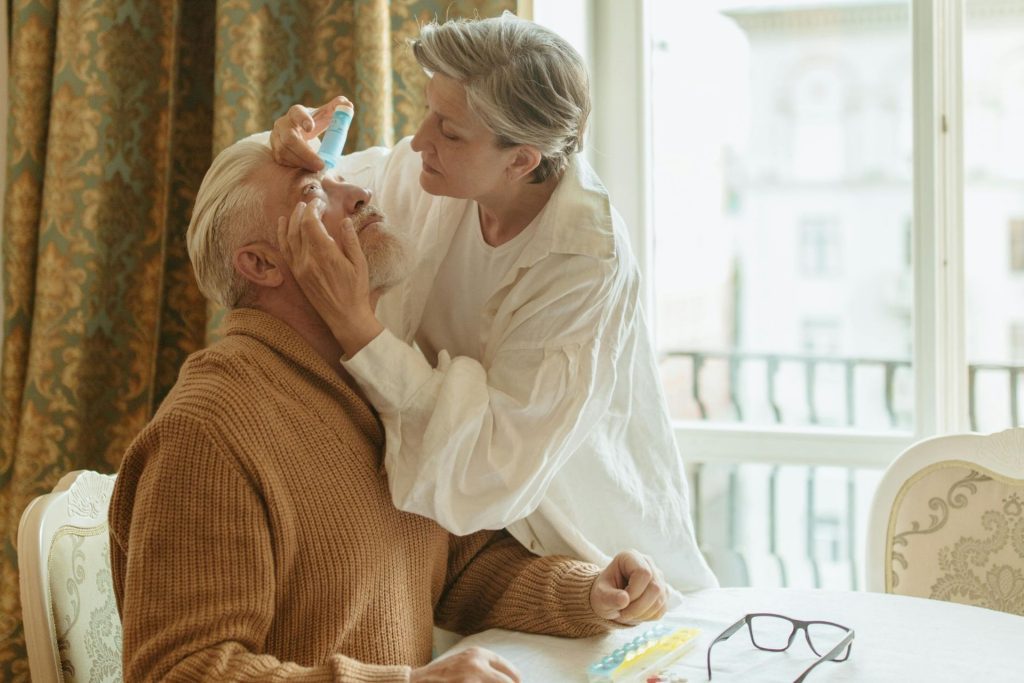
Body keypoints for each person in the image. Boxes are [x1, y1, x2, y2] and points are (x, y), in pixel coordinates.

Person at [108, 135, 670, 682]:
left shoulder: (370, 383)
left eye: (338, 178)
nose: (357, 193)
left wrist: (587, 592)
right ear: (261, 264)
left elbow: (458, 568)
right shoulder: (207, 430)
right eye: (313, 193)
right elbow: (178, 671)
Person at [271, 13, 718, 592]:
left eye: (450, 132)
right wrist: (281, 147)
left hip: (585, 551)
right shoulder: (428, 175)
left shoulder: (582, 263)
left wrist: (359, 328)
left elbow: (489, 469)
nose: (422, 139)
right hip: (456, 551)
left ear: (521, 160)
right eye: (430, 110)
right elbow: (302, 189)